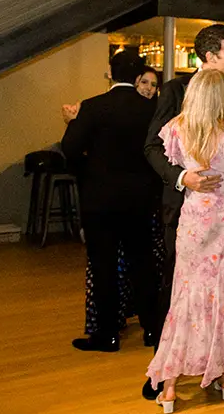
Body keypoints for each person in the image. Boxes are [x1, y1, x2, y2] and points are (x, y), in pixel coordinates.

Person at [141, 23, 224, 400]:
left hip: (223, 210)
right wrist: (182, 177)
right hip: (188, 206)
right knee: (180, 287)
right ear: (210, 56)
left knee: (223, 289)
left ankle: (222, 362)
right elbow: (152, 148)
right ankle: (164, 366)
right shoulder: (176, 90)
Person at [62, 50, 159, 352]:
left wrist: (73, 127)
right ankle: (153, 329)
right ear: (137, 77)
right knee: (143, 263)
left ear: (110, 73)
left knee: (103, 266)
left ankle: (107, 334)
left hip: (100, 198)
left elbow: (70, 149)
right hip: (140, 198)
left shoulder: (93, 107)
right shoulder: (150, 109)